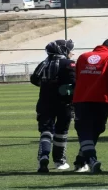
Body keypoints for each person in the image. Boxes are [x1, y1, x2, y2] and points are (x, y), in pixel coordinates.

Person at [71, 38, 108, 174]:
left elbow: (77, 77)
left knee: (85, 130)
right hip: (102, 99)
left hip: (81, 98)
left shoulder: (83, 57)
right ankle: (91, 159)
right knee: (95, 129)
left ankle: (81, 160)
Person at [29, 39, 76, 173]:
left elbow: (34, 79)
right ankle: (59, 161)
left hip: (44, 102)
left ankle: (43, 157)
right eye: (70, 49)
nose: (71, 52)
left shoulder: (44, 63)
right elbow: (75, 82)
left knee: (46, 132)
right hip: (64, 104)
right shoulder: (69, 64)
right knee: (61, 132)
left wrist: (47, 85)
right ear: (63, 50)